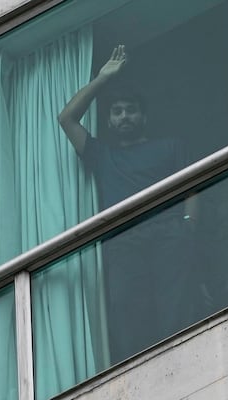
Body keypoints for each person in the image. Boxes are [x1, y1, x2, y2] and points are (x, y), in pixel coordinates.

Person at [58, 45, 199, 364]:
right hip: (124, 241)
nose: (124, 116)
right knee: (129, 322)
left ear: (143, 115)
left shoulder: (170, 147)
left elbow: (193, 186)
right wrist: (101, 79)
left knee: (176, 316)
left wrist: (189, 227)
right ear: (108, 119)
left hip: (169, 234)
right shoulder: (103, 156)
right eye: (117, 111)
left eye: (130, 109)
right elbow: (67, 119)